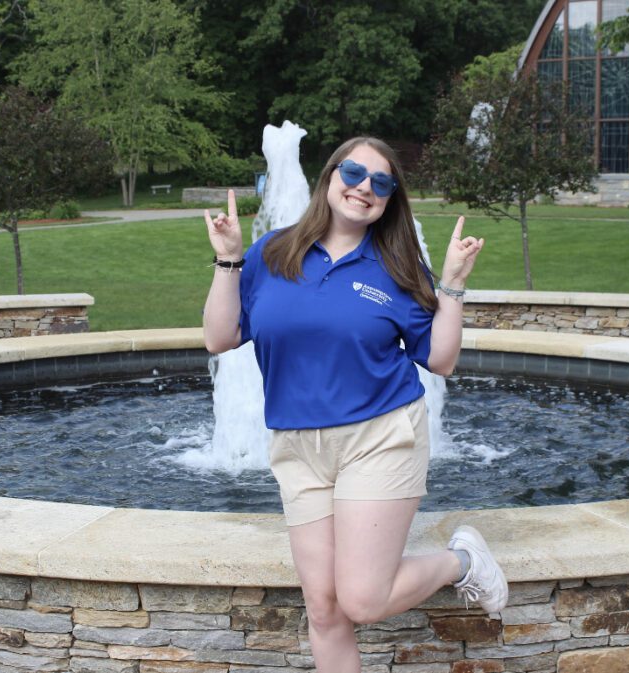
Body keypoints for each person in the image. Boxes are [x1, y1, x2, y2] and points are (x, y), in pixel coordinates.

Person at [202, 137, 507, 672]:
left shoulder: (395, 265)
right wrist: (228, 260)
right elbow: (220, 337)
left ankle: (462, 560)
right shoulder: (272, 253)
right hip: (297, 445)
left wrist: (453, 286)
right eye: (354, 173)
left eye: (381, 183)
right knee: (323, 609)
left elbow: (438, 359)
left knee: (361, 600)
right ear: (329, 178)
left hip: (380, 436)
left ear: (388, 201)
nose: (364, 187)